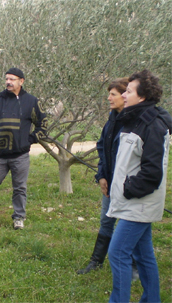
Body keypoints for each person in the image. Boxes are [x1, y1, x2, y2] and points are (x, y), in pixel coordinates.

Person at [107, 70, 171, 303]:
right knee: (144, 255)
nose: (124, 95)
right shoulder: (134, 118)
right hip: (133, 201)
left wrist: (127, 188)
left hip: (139, 203)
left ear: (142, 97)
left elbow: (152, 172)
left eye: (129, 91)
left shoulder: (152, 124)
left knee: (118, 253)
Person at [0, 68, 47, 230]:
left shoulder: (31, 101)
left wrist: (30, 139)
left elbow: (43, 123)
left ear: (21, 81)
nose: (8, 82)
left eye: (12, 79)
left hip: (20, 155)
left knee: (20, 188)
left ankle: (19, 217)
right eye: (7, 79)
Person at [77, 78, 130, 274]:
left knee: (128, 226)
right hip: (109, 183)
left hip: (127, 186)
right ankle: (96, 262)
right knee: (106, 221)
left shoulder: (133, 121)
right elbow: (102, 148)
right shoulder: (112, 119)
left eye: (113, 94)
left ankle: (132, 266)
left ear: (125, 97)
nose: (108, 98)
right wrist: (101, 176)